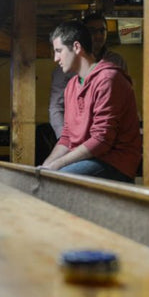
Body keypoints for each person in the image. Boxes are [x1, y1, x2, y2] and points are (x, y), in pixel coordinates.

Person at [40, 21, 141, 182]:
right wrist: (46, 166)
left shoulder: (108, 79)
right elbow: (66, 137)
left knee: (56, 180)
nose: (55, 58)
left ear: (77, 47)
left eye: (59, 51)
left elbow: (101, 140)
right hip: (90, 158)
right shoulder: (72, 85)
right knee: (42, 175)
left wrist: (57, 165)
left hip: (114, 162)